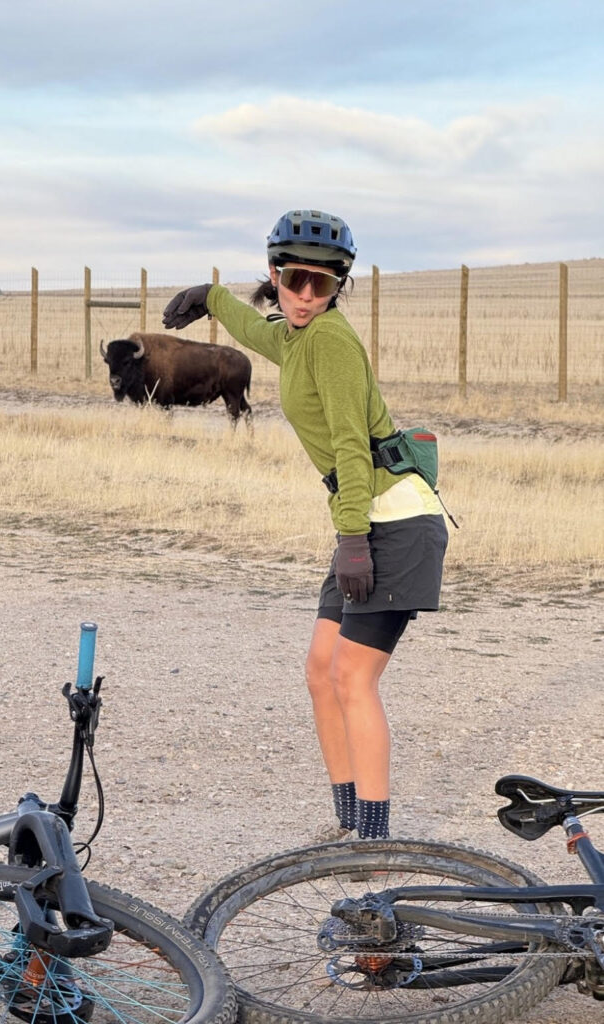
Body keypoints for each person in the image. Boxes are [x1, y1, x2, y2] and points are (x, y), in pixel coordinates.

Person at [162, 209, 448, 839]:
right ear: (275, 274)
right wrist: (209, 297)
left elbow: (351, 448)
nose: (305, 295)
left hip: (393, 522)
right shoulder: (296, 335)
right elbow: (256, 330)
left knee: (352, 677)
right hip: (364, 518)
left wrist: (351, 541)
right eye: (294, 280)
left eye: (321, 285)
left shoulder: (332, 343)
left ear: (337, 286)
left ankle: (373, 839)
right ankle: (348, 825)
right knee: (321, 670)